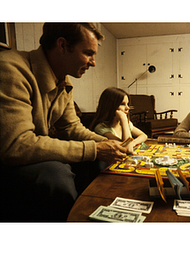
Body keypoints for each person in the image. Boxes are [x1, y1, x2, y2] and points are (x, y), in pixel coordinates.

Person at [0, 23, 128, 221]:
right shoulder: (10, 68)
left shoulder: (64, 82)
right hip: (8, 161)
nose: (93, 62)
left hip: (28, 155)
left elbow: (71, 127)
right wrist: (94, 149)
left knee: (101, 158)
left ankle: (98, 210)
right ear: (62, 45)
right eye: (88, 53)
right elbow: (16, 145)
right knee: (55, 175)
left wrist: (109, 144)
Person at [90, 87, 148, 154]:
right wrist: (124, 119)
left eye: (127, 104)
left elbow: (143, 135)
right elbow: (126, 148)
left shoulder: (122, 123)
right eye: (122, 104)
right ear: (110, 106)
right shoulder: (101, 128)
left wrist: (133, 143)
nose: (127, 108)